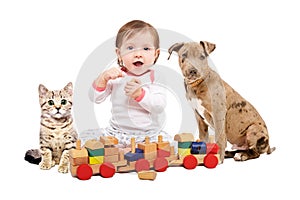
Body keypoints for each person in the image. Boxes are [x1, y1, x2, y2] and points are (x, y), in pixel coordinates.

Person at [87, 20, 171, 147]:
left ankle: (133, 153)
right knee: (89, 141)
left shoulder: (155, 77)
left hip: (148, 135)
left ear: (156, 54)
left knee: (166, 145)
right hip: (117, 133)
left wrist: (140, 94)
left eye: (146, 48)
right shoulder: (116, 75)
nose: (138, 54)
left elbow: (159, 106)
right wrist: (102, 79)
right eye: (130, 48)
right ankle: (123, 152)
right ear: (119, 54)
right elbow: (95, 98)